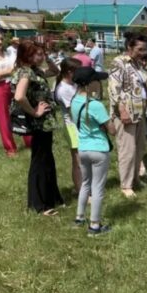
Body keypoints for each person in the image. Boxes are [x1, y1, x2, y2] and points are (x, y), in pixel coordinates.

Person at [12, 40, 63, 215]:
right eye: (38, 54)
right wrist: (35, 112)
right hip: (38, 123)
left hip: (45, 123)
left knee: (47, 159)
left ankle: (51, 198)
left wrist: (47, 58)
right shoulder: (26, 72)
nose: (41, 57)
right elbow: (19, 96)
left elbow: (56, 71)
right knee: (40, 162)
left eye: (42, 53)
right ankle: (38, 205)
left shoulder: (36, 70)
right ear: (27, 55)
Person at [71, 67, 115, 236]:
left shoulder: (75, 101)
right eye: (97, 80)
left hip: (83, 148)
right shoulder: (95, 105)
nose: (100, 83)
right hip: (99, 150)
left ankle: (79, 217)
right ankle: (95, 225)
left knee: (85, 184)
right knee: (97, 188)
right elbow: (112, 130)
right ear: (90, 84)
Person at [108, 32, 147, 198]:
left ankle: (134, 179)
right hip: (125, 114)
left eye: (144, 49)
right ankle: (126, 185)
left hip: (140, 113)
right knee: (128, 149)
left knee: (139, 148)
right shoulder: (118, 63)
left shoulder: (138, 65)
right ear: (129, 47)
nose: (143, 52)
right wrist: (122, 110)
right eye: (139, 49)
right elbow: (114, 88)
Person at [0, 30, 32, 157]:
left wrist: (2, 73)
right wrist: (10, 71)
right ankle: (10, 148)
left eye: (1, 39)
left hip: (15, 85)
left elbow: (19, 67)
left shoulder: (10, 52)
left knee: (24, 113)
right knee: (4, 119)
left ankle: (30, 142)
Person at [54, 57, 83, 193]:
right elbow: (74, 111)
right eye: (79, 70)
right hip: (73, 127)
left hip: (80, 125)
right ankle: (79, 189)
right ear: (70, 72)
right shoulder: (63, 89)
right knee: (78, 162)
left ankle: (83, 187)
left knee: (82, 160)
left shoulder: (74, 84)